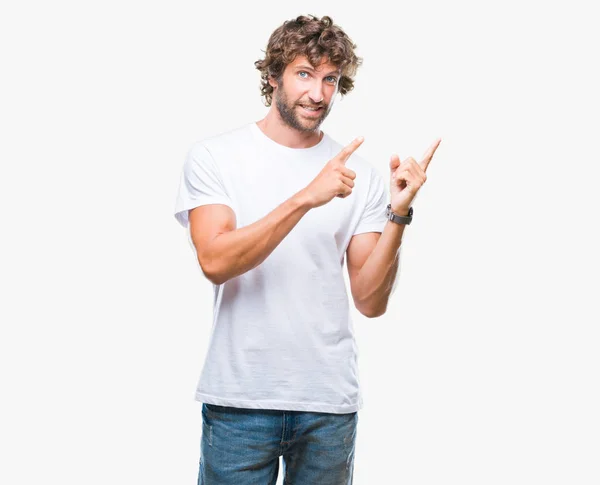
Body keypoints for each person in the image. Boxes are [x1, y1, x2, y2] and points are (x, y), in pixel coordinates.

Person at [173, 13, 440, 485]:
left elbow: (370, 301)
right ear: (272, 75)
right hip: (241, 402)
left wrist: (398, 213)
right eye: (304, 74)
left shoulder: (360, 175)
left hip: (327, 406)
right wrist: (304, 198)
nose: (318, 93)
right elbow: (215, 262)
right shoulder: (216, 156)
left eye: (330, 79)